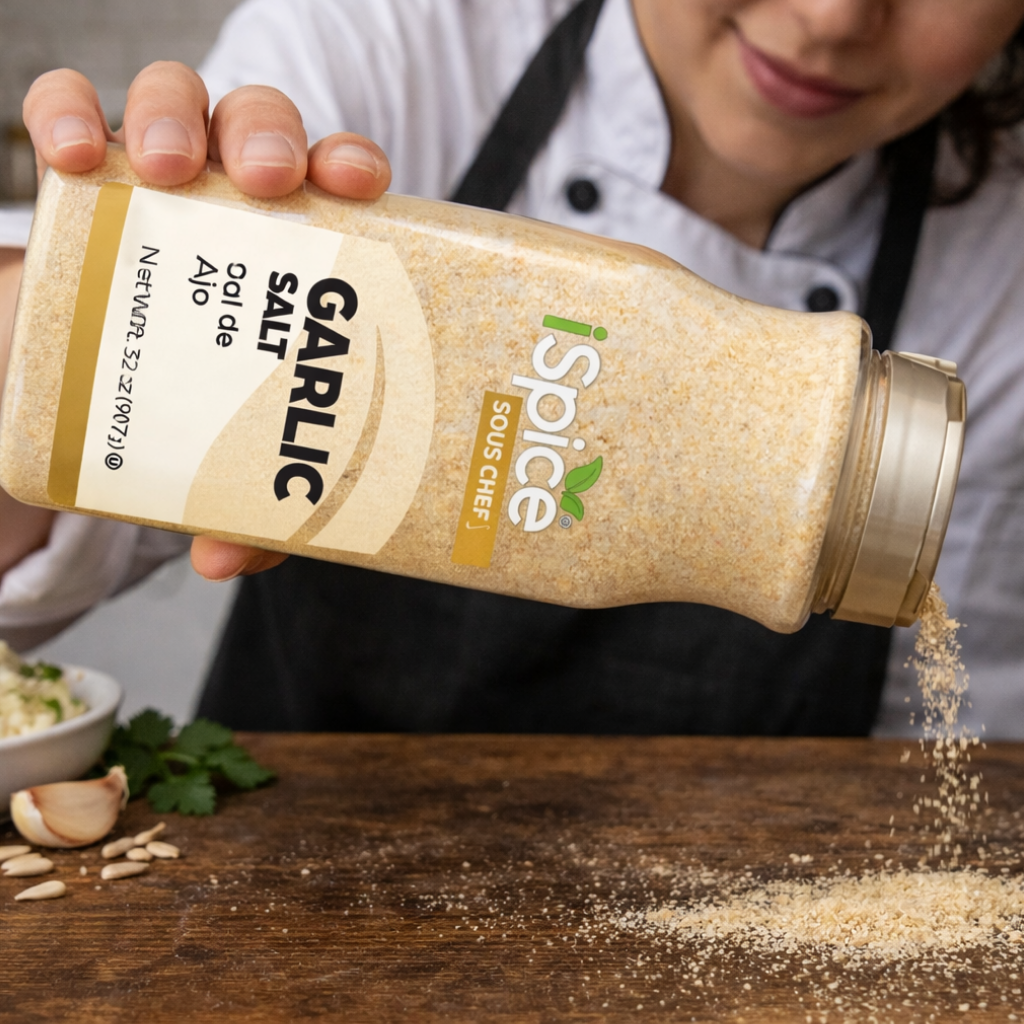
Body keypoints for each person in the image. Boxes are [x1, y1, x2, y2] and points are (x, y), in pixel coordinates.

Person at [1, 0, 1024, 735]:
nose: (833, 16)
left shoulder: (1002, 276)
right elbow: (47, 531)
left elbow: (947, 746)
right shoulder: (392, 40)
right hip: (274, 896)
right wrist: (35, 324)